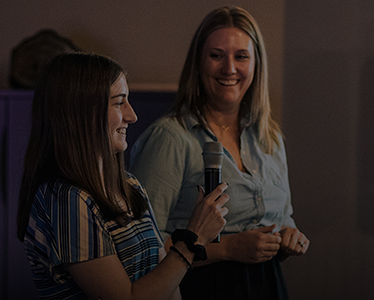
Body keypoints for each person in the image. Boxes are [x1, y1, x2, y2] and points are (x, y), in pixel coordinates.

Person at [129, 5, 310, 300]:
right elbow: (140, 244)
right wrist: (227, 249)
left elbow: (284, 217)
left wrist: (289, 237)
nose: (229, 68)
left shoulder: (269, 137)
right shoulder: (170, 137)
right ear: (198, 64)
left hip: (270, 284)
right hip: (200, 286)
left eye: (241, 56)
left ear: (256, 65)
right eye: (216, 56)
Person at [16, 52, 229, 300]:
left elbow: (166, 280)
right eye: (119, 103)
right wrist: (193, 239)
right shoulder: (67, 200)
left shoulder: (130, 185)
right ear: (83, 112)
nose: (132, 116)